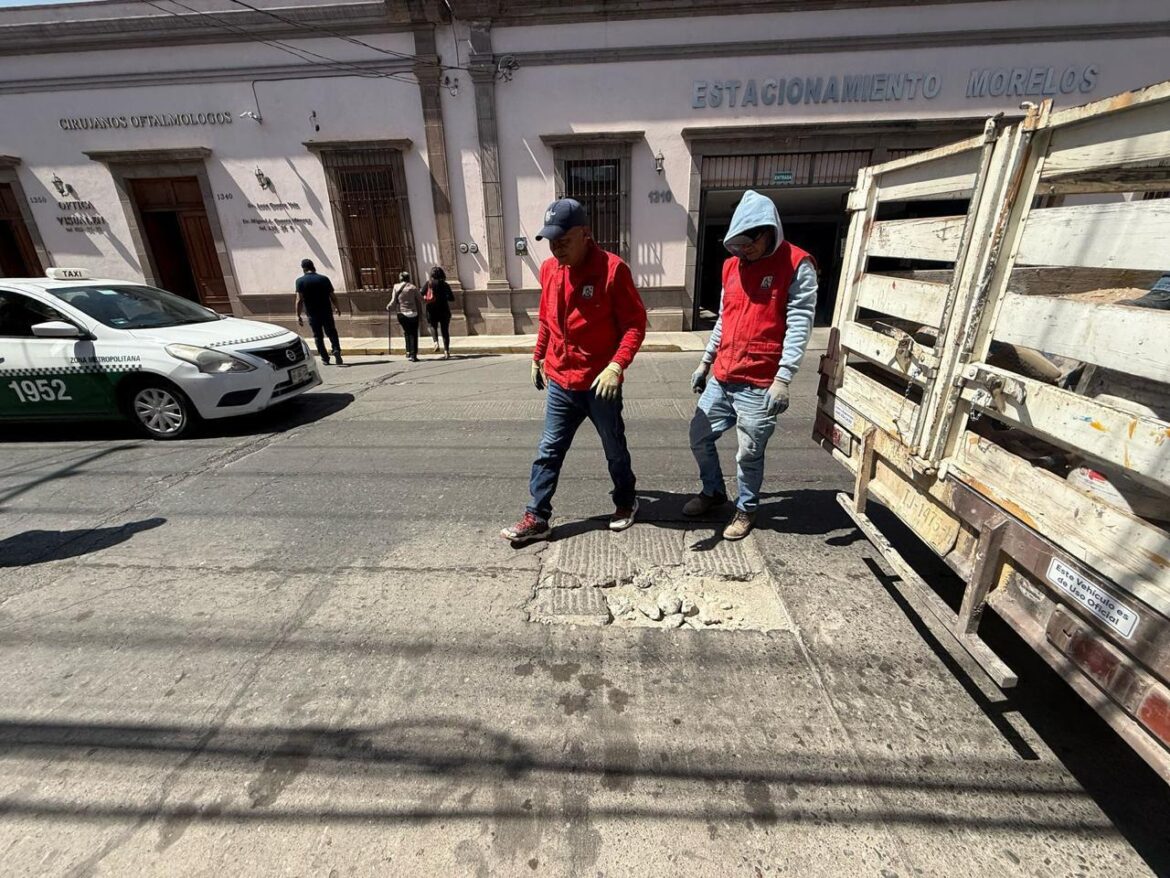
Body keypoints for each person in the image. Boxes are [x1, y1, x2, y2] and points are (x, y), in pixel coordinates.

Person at [500, 198, 647, 544]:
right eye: (551, 241)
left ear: (585, 234)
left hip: (600, 383)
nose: (556, 248)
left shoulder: (613, 270)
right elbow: (548, 320)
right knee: (548, 450)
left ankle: (626, 501)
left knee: (614, 448)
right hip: (561, 382)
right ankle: (537, 517)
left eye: (563, 240)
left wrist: (616, 365)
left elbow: (634, 325)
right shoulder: (551, 270)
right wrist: (538, 357)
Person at [685, 190, 818, 540]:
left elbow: (800, 322)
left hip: (760, 382)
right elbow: (723, 320)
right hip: (723, 374)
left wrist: (784, 378)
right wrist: (704, 363)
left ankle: (746, 508)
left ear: (767, 230)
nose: (744, 251)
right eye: (738, 245)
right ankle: (713, 492)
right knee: (699, 436)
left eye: (750, 243)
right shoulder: (732, 267)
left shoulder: (797, 264)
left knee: (749, 453)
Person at [295, 258, 343, 366]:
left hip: (312, 314)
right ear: (313, 266)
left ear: (303, 269)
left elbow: (299, 300)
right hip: (326, 312)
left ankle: (325, 358)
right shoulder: (324, 279)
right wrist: (337, 307)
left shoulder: (300, 281)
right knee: (332, 332)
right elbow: (333, 296)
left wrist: (298, 315)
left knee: (318, 336)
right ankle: (336, 350)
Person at [387, 271, 423, 362]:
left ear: (400, 278)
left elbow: (393, 300)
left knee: (407, 332)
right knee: (413, 334)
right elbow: (421, 299)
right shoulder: (413, 287)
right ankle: (413, 354)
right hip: (413, 313)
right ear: (408, 278)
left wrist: (389, 306)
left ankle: (408, 351)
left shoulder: (396, 287)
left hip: (402, 313)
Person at [422, 266, 456, 358]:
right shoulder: (445, 285)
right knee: (445, 331)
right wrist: (444, 297)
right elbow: (452, 298)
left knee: (433, 326)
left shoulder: (428, 284)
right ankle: (446, 351)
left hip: (431, 310)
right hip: (444, 310)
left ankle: (436, 342)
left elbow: (421, 293)